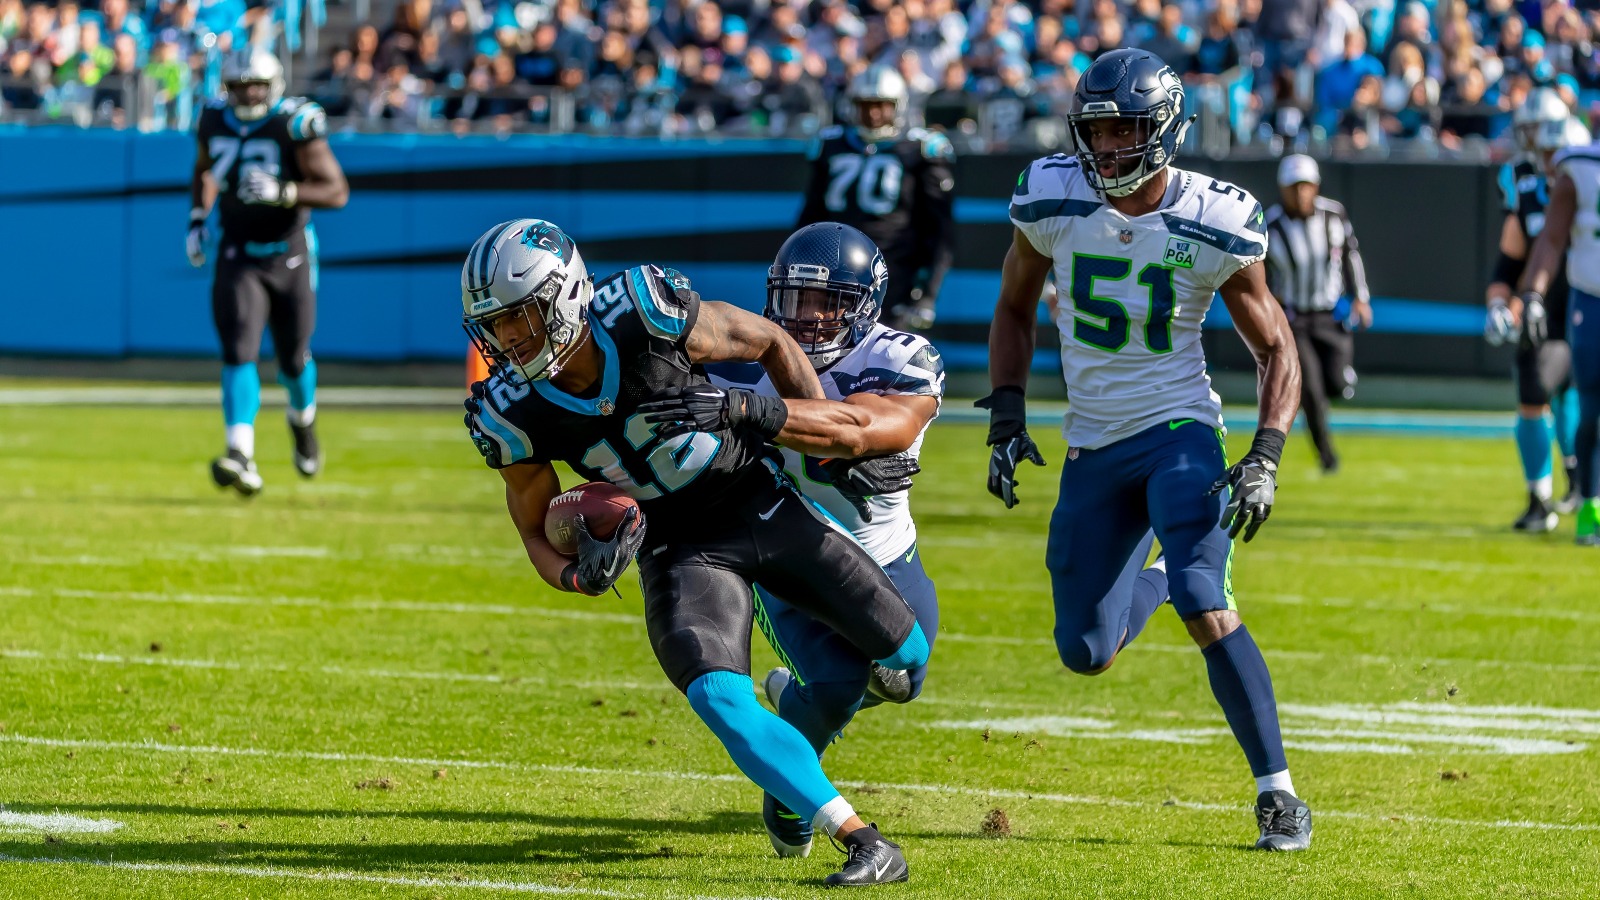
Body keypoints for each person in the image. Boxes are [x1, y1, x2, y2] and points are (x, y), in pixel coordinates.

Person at [459, 219, 927, 885]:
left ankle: (799, 719)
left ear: (565, 296)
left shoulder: (645, 312)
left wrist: (816, 439)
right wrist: (575, 575)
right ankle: (861, 840)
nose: (506, 340)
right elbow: (534, 530)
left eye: (519, 318)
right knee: (716, 694)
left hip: (758, 501)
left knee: (908, 661)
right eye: (494, 325)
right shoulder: (508, 410)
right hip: (677, 549)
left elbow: (770, 340)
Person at [981, 49, 1312, 850]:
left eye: (1128, 129)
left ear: (1165, 128)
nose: (1111, 148)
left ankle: (1278, 793)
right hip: (1093, 446)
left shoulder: (1213, 217)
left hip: (1178, 432)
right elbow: (1014, 309)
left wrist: (1265, 453)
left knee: (1208, 600)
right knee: (1085, 651)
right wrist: (1007, 413)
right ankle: (1158, 575)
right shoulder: (1051, 195)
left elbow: (1278, 348)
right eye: (1097, 131)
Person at [702, 222, 943, 858]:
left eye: (825, 301)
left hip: (887, 555)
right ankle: (789, 791)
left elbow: (873, 425)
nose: (805, 319)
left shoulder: (898, 358)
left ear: (864, 301)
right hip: (794, 562)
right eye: (792, 301)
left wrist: (759, 415)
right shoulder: (746, 366)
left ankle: (794, 704)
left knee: (905, 677)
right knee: (838, 687)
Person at [188, 47, 348, 496]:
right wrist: (197, 219)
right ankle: (240, 452)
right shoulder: (213, 120)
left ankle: (303, 421)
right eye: (238, 86)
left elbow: (337, 191)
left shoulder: (293, 123)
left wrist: (285, 191)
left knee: (293, 360)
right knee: (239, 347)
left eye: (255, 85)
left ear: (273, 83)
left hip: (290, 253)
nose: (247, 94)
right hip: (239, 252)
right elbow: (204, 171)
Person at [1486, 88, 1586, 531]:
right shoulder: (1524, 184)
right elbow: (1508, 262)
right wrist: (1497, 302)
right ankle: (1540, 497)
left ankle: (1579, 485)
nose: (1547, 157)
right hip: (1542, 312)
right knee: (1535, 389)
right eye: (1542, 147)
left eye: (1554, 147)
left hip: (1585, 307)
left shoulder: (1587, 183)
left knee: (1577, 404)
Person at [795, 64, 955, 332]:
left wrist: (927, 292)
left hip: (893, 269)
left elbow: (939, 230)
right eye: (865, 105)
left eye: (882, 105)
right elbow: (810, 215)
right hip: (833, 265)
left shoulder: (919, 149)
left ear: (899, 106)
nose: (873, 113)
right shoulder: (832, 144)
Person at [1262, 154, 1373, 474]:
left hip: (1330, 314)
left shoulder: (1333, 214)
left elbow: (1351, 255)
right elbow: (1262, 278)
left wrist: (1360, 298)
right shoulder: (1270, 225)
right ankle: (1326, 454)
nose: (1300, 194)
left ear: (1316, 187)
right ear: (1283, 189)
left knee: (1338, 385)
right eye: (1293, 187)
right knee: (1308, 389)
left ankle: (1338, 380)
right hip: (1295, 319)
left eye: (1305, 186)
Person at [1518, 129, 1600, 546]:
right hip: (1593, 301)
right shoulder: (1579, 169)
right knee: (1592, 410)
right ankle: (1591, 505)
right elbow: (1551, 238)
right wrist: (1532, 293)